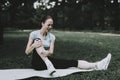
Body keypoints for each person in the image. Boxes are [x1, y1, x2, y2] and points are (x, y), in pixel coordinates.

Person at [25, 15, 111, 75]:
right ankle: (48, 64)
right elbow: (27, 52)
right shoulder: (34, 34)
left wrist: (45, 52)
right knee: (38, 41)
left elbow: (51, 52)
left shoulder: (52, 37)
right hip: (37, 64)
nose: (50, 27)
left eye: (52, 25)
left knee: (71, 62)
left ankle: (97, 65)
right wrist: (34, 45)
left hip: (48, 60)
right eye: (48, 25)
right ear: (42, 23)